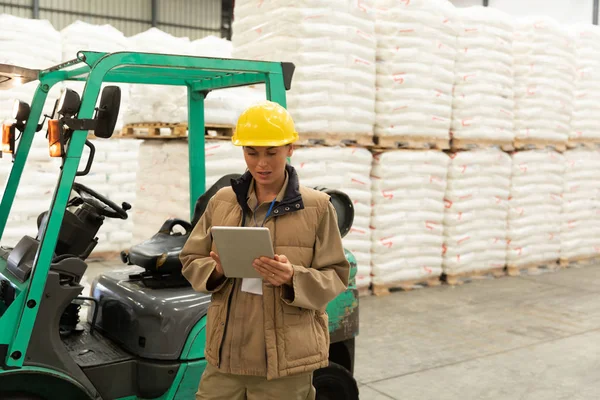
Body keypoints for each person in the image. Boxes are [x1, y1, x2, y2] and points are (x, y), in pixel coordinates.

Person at [180, 100, 350, 400]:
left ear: (289, 149)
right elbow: (191, 258)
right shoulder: (222, 201)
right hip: (227, 356)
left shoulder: (317, 208)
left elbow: (335, 276)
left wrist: (292, 277)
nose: (261, 164)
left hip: (285, 362)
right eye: (252, 152)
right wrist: (216, 270)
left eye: (271, 152)